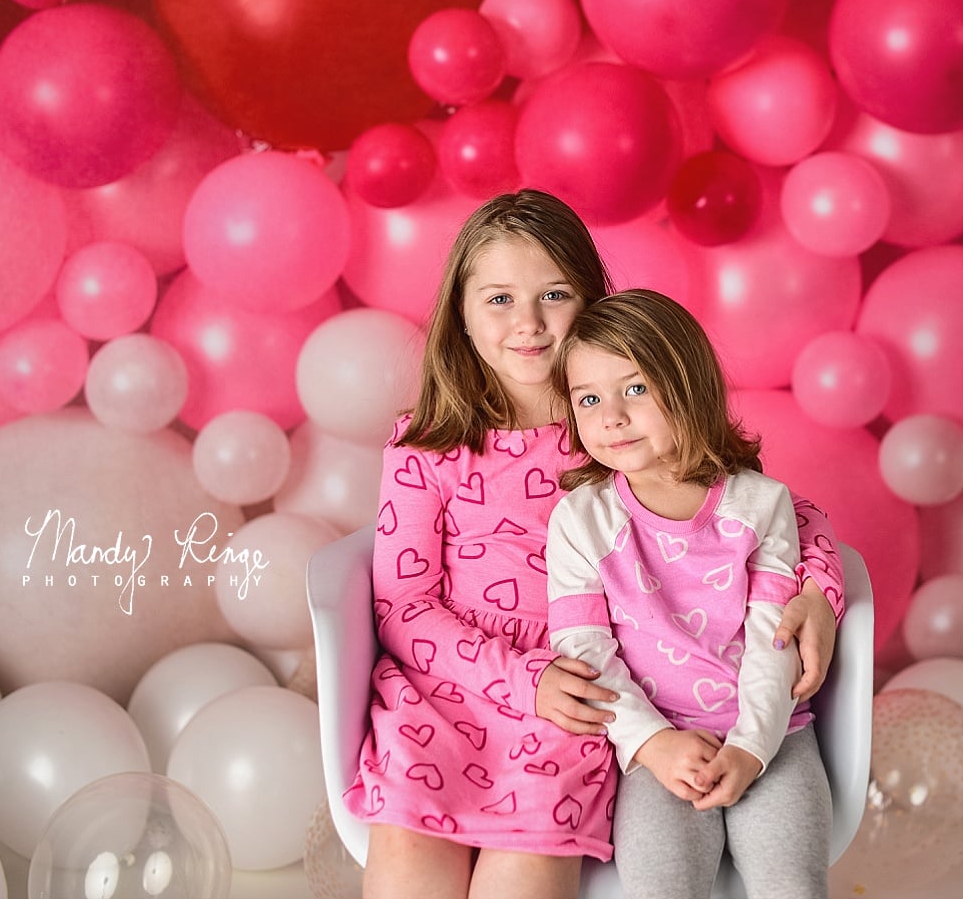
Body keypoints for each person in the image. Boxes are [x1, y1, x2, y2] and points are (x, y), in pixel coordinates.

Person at [347, 190, 844, 899]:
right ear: (460, 309)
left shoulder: (616, 420)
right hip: (446, 692)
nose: (528, 323)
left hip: (583, 689)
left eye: (554, 293)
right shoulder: (428, 445)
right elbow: (402, 605)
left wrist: (820, 589)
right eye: (499, 299)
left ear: (592, 301)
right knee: (408, 870)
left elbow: (769, 507)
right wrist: (518, 680)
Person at [546, 289, 834, 899]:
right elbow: (585, 652)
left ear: (689, 389)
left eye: (636, 389)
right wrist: (653, 744)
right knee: (661, 888)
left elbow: (773, 640)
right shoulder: (581, 520)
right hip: (657, 745)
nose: (612, 416)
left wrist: (753, 748)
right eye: (589, 399)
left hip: (773, 736)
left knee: (793, 886)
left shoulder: (760, 504)